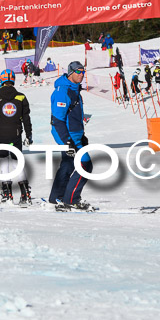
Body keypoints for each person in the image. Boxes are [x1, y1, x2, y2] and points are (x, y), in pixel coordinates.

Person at [0, 69, 33, 206]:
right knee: (17, 162)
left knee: (4, 161)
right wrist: (29, 135)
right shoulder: (21, 97)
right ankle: (25, 192)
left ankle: (7, 194)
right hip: (16, 133)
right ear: (13, 79)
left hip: (2, 133)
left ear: (2, 80)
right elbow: (26, 119)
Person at [49, 61, 93, 211]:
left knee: (68, 164)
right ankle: (71, 199)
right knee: (85, 165)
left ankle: (56, 197)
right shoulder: (63, 91)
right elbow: (58, 120)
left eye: (83, 72)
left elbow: (74, 116)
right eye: (78, 72)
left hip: (75, 134)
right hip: (66, 134)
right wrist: (68, 141)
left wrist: (82, 136)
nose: (82, 75)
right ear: (71, 73)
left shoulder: (74, 89)